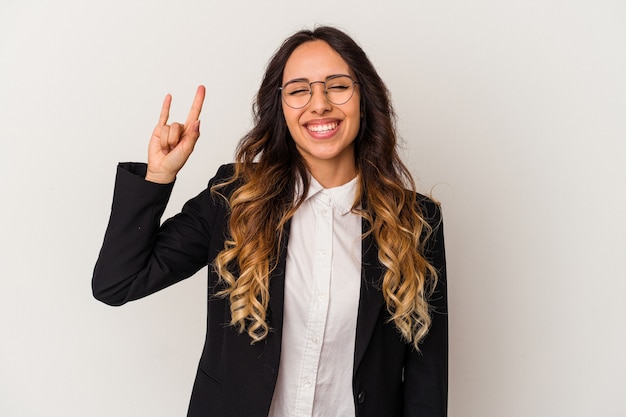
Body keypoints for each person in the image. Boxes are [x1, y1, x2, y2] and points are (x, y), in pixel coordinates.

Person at [93, 26, 447, 417]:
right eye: (299, 90)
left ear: (364, 99)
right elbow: (117, 283)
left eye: (338, 86)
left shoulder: (414, 220)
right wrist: (158, 177)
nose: (319, 104)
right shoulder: (234, 198)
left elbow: (426, 375)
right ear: (280, 107)